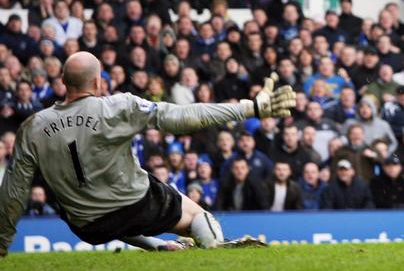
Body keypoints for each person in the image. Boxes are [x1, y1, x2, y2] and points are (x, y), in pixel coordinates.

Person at [0, 52, 296, 256]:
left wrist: (2, 242)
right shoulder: (117, 107)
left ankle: (159, 246)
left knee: (96, 205)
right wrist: (249, 108)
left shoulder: (33, 126)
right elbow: (183, 116)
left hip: (86, 225)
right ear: (98, 82)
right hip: (135, 205)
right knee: (196, 216)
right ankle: (216, 251)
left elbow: (14, 189)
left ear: (63, 81)